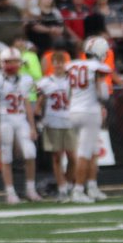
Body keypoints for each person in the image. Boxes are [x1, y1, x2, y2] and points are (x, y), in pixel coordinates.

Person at [0, 47, 40, 204]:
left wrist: (32, 126)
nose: (11, 65)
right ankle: (10, 192)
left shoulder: (26, 79)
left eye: (14, 61)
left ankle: (30, 189)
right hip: (5, 120)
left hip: (21, 118)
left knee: (30, 152)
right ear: (2, 63)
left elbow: (27, 103)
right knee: (6, 155)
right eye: (8, 62)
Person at [67, 36, 113, 203]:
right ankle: (78, 190)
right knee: (85, 153)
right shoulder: (97, 67)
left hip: (73, 110)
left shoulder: (73, 65)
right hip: (89, 112)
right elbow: (103, 93)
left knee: (92, 151)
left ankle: (92, 187)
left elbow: (68, 90)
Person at [36, 50, 77, 202]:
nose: (59, 65)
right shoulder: (45, 82)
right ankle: (62, 188)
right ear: (52, 64)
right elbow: (39, 102)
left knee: (73, 157)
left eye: (61, 61)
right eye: (56, 62)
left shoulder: (72, 80)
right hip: (53, 122)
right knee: (57, 157)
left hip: (69, 121)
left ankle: (69, 183)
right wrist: (39, 114)